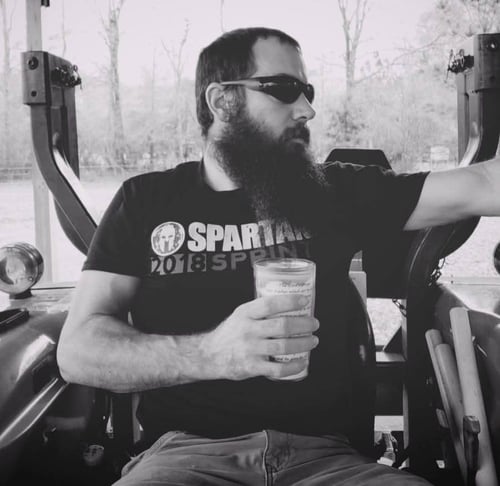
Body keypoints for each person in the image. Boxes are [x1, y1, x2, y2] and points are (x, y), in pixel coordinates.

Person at [57, 27, 500, 485]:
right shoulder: (145, 202)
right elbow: (77, 351)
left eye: (308, 92)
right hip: (183, 458)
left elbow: (484, 184)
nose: (307, 109)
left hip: (329, 460)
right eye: (285, 89)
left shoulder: (333, 190)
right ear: (221, 100)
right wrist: (211, 354)